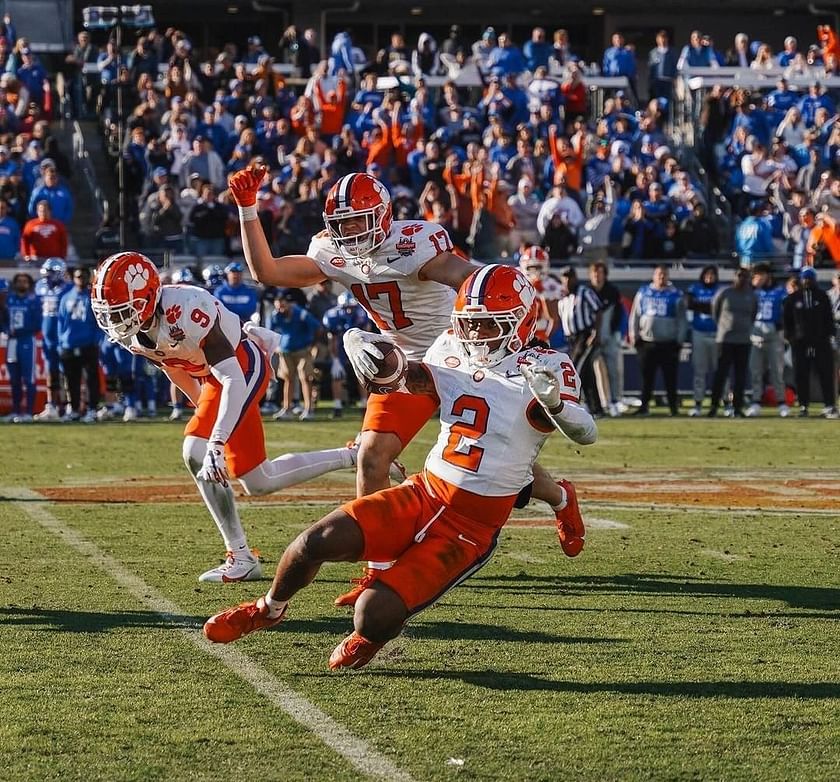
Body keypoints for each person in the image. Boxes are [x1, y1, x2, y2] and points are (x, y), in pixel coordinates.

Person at [202, 265, 597, 669]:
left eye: (488, 325)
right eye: (470, 324)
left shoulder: (547, 366)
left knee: (372, 615)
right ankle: (268, 609)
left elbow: (585, 433)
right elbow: (417, 380)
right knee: (312, 543)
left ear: (522, 320)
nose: (476, 335)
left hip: (472, 525)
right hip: (424, 490)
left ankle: (368, 638)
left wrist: (557, 404)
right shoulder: (451, 343)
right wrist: (379, 361)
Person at [228, 166, 586, 603]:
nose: (350, 232)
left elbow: (474, 281)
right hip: (403, 364)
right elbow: (268, 271)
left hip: (460, 356)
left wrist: (511, 327)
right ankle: (376, 568)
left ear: (381, 216)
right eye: (341, 225)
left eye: (357, 222)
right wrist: (248, 208)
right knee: (372, 457)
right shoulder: (331, 251)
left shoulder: (415, 243)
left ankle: (559, 497)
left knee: (492, 459)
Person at [89, 252, 389, 582]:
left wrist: (215, 440)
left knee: (195, 449)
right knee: (259, 480)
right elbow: (175, 369)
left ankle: (239, 554)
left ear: (147, 298)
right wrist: (205, 411)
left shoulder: (187, 307)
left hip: (242, 366)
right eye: (110, 312)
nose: (115, 320)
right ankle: (353, 454)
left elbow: (232, 376)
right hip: (213, 380)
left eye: (121, 310)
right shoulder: (133, 334)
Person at [629, 265, 686, 416]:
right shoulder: (644, 292)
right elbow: (635, 315)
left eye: (664, 274)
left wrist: (680, 340)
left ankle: (673, 408)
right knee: (646, 378)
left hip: (668, 342)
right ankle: (644, 407)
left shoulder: (676, 295)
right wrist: (634, 334)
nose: (661, 277)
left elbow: (682, 320)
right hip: (647, 341)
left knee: (670, 378)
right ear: (654, 276)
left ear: (668, 277)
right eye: (659, 274)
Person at [783, 267, 838, 417]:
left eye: (810, 278)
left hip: (821, 342)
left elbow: (829, 319)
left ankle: (829, 405)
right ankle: (803, 406)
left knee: (825, 373)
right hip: (800, 343)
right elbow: (787, 321)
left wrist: (829, 336)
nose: (807, 281)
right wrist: (791, 338)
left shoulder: (822, 297)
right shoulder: (793, 299)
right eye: (805, 278)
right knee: (801, 374)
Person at [708, 268, 758, 417]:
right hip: (725, 339)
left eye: (745, 277)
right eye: (740, 276)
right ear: (734, 277)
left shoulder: (752, 296)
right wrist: (724, 327)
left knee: (740, 375)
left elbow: (753, 315)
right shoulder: (725, 293)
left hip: (743, 340)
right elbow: (715, 311)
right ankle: (714, 406)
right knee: (721, 374)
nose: (742, 279)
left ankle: (737, 408)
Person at [556, 265, 604, 415]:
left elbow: (598, 310)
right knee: (586, 374)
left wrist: (595, 333)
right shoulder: (563, 297)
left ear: (575, 278)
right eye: (564, 277)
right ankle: (595, 408)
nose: (567, 280)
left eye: (570, 276)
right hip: (571, 338)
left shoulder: (584, 292)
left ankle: (580, 404)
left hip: (584, 335)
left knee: (577, 370)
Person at [57, 267, 101, 422]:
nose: (80, 279)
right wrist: (61, 341)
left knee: (91, 379)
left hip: (88, 344)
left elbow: (99, 322)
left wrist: (96, 340)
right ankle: (74, 409)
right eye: (78, 276)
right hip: (69, 344)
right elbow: (61, 321)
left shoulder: (93, 297)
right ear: (73, 278)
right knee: (71, 380)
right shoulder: (66, 297)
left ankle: (92, 409)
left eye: (83, 276)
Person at [270, 290, 321, 421]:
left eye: (283, 304)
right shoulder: (276, 315)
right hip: (285, 351)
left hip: (302, 350)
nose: (280, 307)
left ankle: (308, 409)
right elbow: (271, 332)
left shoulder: (301, 314)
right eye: (278, 304)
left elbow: (317, 328)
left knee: (305, 378)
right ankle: (287, 408)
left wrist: (312, 345)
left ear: (289, 303)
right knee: (288, 379)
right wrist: (276, 346)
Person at [746, 264, 789, 417]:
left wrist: (781, 326)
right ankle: (756, 401)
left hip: (774, 334)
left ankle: (782, 402)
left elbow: (787, 311)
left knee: (777, 371)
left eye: (759, 275)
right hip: (756, 333)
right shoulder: (753, 292)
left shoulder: (780, 291)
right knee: (755, 370)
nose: (756, 278)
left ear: (767, 275)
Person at [33, 258, 71, 420]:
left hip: (63, 336)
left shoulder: (69, 288)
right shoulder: (39, 287)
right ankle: (51, 405)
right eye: (46, 272)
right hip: (48, 337)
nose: (47, 276)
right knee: (51, 372)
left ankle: (70, 405)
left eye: (51, 273)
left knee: (68, 373)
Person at [322, 290, 370, 419]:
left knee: (363, 376)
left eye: (351, 308)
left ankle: (365, 405)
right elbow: (332, 339)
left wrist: (364, 352)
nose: (349, 311)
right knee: (337, 377)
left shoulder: (361, 314)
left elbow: (367, 334)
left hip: (357, 347)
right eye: (346, 308)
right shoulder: (333, 316)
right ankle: (337, 406)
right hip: (341, 348)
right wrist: (335, 359)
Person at [2, 272, 40, 422]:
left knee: (29, 377)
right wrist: (6, 329)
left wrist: (22, 331)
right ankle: (16, 410)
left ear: (29, 284)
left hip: (26, 340)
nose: (22, 284)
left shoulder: (33, 300)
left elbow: (37, 324)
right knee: (14, 378)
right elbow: (3, 319)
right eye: (19, 281)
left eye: (25, 281)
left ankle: (29, 412)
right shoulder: (9, 299)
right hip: (12, 341)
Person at [685, 265, 722, 416]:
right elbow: (689, 304)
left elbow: (720, 308)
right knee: (699, 371)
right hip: (699, 333)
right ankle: (698, 403)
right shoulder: (694, 288)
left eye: (712, 274)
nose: (709, 277)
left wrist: (701, 306)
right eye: (707, 274)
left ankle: (724, 402)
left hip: (716, 334)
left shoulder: (720, 290)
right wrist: (709, 307)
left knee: (720, 372)